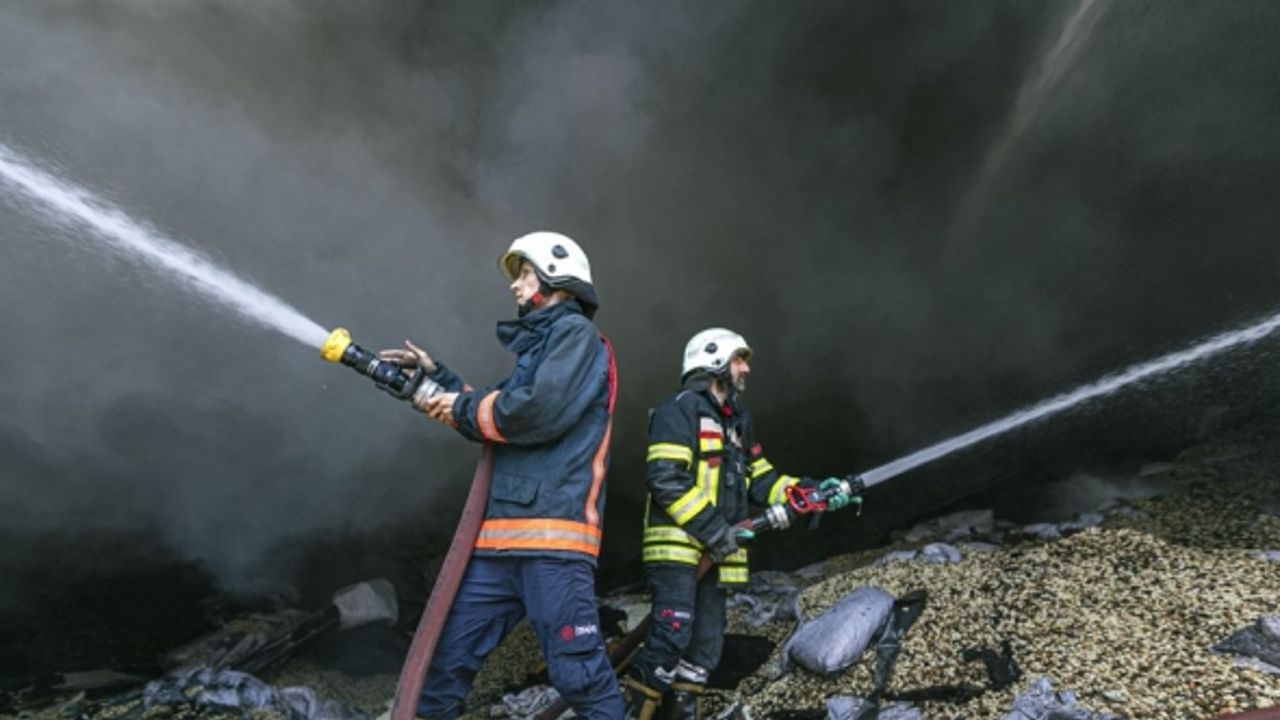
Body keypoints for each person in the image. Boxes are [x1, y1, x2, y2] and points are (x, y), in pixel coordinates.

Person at [380, 231, 623, 720]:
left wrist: (463, 403)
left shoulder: (576, 338)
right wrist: (438, 381)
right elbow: (494, 416)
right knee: (441, 666)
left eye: (525, 274)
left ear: (558, 277)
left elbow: (534, 412)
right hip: (498, 550)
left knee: (579, 676)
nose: (515, 287)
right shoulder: (539, 354)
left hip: (554, 546)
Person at [623, 328, 856, 720]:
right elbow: (665, 478)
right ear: (712, 361)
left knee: (705, 648)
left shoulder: (737, 421)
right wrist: (715, 531)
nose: (746, 369)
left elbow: (761, 479)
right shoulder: (678, 411)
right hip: (680, 551)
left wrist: (807, 491)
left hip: (718, 552)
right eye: (739, 359)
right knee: (669, 638)